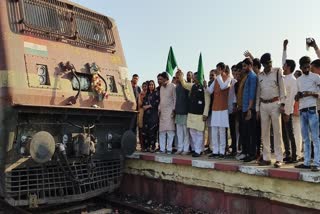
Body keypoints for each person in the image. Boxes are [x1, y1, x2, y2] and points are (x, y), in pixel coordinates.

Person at [256, 53, 286, 168]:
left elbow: (282, 89)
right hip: (263, 104)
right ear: (263, 64)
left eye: (270, 62)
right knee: (264, 133)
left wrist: (282, 104)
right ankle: (266, 158)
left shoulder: (277, 71)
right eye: (267, 63)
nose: (269, 65)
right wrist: (257, 109)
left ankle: (279, 158)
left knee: (277, 132)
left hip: (275, 104)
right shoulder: (260, 75)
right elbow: (258, 93)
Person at [295, 56, 320, 172]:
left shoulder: (316, 77)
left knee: (315, 138)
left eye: (308, 65)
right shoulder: (298, 80)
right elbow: (296, 97)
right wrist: (298, 95)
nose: (306, 68)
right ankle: (306, 162)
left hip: (312, 109)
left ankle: (317, 163)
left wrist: (309, 93)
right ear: (300, 67)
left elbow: (319, 94)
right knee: (305, 138)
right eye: (304, 66)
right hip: (302, 110)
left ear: (310, 65)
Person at [177, 69, 210, 157]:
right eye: (194, 77)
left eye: (197, 77)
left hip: (200, 114)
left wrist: (205, 113)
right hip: (191, 113)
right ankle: (196, 149)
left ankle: (198, 151)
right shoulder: (192, 86)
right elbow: (184, 84)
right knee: (192, 132)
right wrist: (180, 75)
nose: (195, 78)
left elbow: (207, 101)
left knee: (199, 133)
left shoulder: (205, 88)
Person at [207, 62, 232, 159]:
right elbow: (209, 91)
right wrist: (205, 86)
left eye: (217, 69)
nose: (216, 70)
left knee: (221, 131)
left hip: (223, 108)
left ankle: (222, 152)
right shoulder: (217, 79)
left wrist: (218, 77)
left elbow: (223, 86)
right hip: (215, 108)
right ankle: (215, 151)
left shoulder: (228, 78)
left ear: (221, 69)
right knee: (214, 130)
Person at [281, 39, 299, 163]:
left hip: (288, 111)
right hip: (281, 109)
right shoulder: (283, 77)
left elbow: (291, 98)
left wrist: (287, 112)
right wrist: (284, 48)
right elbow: (283, 60)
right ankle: (287, 154)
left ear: (289, 68)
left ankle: (294, 156)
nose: (283, 66)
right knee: (284, 134)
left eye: (285, 65)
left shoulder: (292, 80)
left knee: (290, 134)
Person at [241, 58, 258, 162]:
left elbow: (252, 94)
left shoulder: (252, 77)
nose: (243, 68)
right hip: (245, 108)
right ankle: (249, 153)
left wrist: (250, 109)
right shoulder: (248, 77)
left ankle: (252, 154)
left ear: (250, 65)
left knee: (251, 133)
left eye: (244, 66)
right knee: (247, 133)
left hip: (249, 109)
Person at [158, 72, 176, 154]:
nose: (160, 81)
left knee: (170, 132)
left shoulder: (172, 86)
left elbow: (175, 99)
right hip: (162, 112)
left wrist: (174, 110)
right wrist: (159, 109)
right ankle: (162, 149)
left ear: (166, 79)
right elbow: (161, 100)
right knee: (162, 132)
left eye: (161, 79)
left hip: (170, 112)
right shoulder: (161, 87)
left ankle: (169, 149)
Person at [142, 80, 160, 152]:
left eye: (152, 85)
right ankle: (147, 147)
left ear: (154, 85)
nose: (151, 86)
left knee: (152, 131)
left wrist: (149, 106)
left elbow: (157, 102)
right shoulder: (146, 95)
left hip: (153, 115)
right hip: (146, 116)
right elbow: (143, 104)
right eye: (149, 85)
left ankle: (153, 147)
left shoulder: (156, 94)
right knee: (146, 132)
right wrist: (145, 106)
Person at [174, 72, 190, 155]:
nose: (177, 78)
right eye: (176, 77)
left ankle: (186, 149)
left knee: (185, 132)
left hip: (185, 112)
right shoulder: (176, 87)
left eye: (179, 77)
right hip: (178, 112)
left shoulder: (186, 85)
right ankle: (180, 148)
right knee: (179, 132)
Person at [138, 81, 148, 151]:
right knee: (141, 129)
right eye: (143, 86)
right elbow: (140, 104)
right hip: (141, 112)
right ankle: (142, 146)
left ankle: (147, 146)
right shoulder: (140, 94)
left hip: (148, 113)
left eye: (145, 86)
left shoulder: (149, 94)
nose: (144, 88)